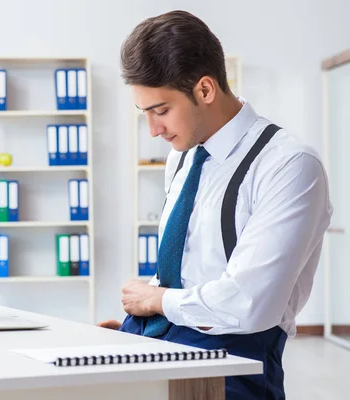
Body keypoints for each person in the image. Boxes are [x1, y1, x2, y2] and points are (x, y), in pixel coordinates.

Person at [97, 10, 333, 399]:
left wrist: (157, 300)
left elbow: (249, 301)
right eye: (146, 114)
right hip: (165, 346)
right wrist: (137, 332)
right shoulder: (183, 156)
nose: (153, 129)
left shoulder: (289, 166)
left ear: (205, 90)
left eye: (161, 110)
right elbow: (189, 269)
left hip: (233, 370)